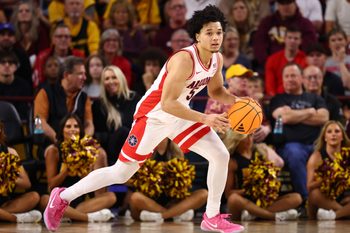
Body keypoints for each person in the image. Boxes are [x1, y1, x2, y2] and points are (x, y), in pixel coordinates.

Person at [43, 5, 245, 233]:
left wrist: (238, 101)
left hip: (181, 114)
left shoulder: (216, 59)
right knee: (121, 172)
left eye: (219, 32)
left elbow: (216, 91)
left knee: (220, 154)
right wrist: (206, 118)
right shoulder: (184, 59)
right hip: (154, 115)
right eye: (209, 32)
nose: (216, 37)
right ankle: (62, 197)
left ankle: (212, 216)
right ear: (198, 36)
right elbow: (168, 103)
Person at [39, 114, 116, 223]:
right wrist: (67, 170)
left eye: (76, 126)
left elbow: (92, 188)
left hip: (81, 203)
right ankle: (88, 218)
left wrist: (83, 172)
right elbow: (51, 185)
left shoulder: (87, 150)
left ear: (80, 130)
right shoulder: (54, 151)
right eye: (68, 126)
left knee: (111, 196)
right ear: (62, 130)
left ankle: (70, 214)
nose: (73, 129)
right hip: (61, 200)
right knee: (44, 200)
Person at [269, 62, 329, 201]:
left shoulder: (315, 98)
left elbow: (323, 117)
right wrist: (309, 112)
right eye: (287, 76)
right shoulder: (278, 99)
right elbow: (282, 117)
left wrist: (293, 115)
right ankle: (308, 200)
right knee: (295, 154)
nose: (290, 79)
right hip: (290, 145)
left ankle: (332, 198)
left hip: (316, 144)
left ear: (301, 78)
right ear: (283, 79)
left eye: (293, 75)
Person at [224, 134, 302, 221]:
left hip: (263, 201)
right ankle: (273, 216)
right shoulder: (232, 161)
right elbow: (228, 193)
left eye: (251, 136)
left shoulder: (260, 152)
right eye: (246, 137)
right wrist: (251, 189)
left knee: (297, 198)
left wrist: (270, 187)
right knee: (233, 199)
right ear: (237, 139)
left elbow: (276, 168)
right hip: (245, 201)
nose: (249, 140)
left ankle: (255, 214)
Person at [129, 138, 208, 222]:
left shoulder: (178, 151)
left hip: (172, 201)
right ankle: (175, 214)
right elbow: (134, 179)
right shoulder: (144, 150)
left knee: (203, 194)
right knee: (135, 197)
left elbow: (184, 181)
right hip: (150, 201)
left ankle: (162, 216)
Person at [92, 65, 141, 165]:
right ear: (103, 83)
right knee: (122, 131)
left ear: (121, 79)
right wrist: (117, 135)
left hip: (134, 147)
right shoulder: (99, 105)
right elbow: (98, 134)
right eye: (106, 79)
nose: (110, 81)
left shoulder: (134, 98)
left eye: (114, 77)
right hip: (111, 152)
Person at [307, 121, 350, 220]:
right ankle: (344, 213)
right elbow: (309, 186)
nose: (333, 134)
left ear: (342, 136)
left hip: (343, 197)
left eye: (337, 131)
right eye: (329, 132)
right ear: (325, 137)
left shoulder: (347, 155)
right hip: (323, 198)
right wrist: (328, 179)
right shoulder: (316, 157)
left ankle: (334, 215)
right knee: (314, 193)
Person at [0, 121, 42, 223]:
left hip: (5, 204)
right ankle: (15, 218)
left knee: (34, 197)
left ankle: (4, 214)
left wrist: (8, 175)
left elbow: (26, 184)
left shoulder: (10, 152)